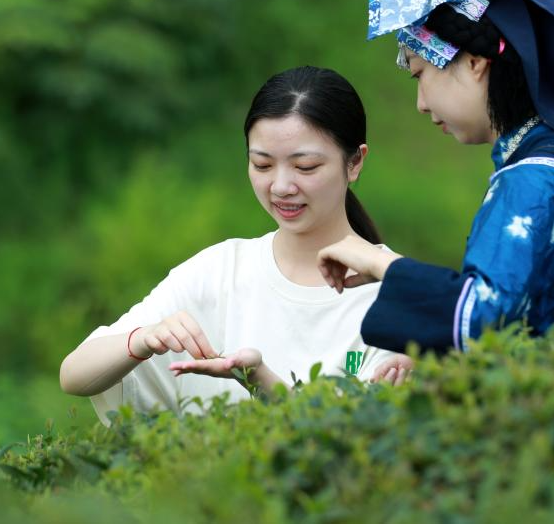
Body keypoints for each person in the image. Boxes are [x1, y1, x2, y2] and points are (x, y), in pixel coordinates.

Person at [317, 0, 554, 354]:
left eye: (419, 75)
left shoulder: (531, 179)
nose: (420, 103)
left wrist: (382, 263)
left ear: (474, 62)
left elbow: (479, 320)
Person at [61, 66, 412, 422]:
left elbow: (352, 438)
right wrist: (140, 340)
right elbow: (74, 374)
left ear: (354, 162)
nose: (281, 186)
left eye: (305, 167)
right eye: (262, 165)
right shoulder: (219, 271)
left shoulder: (399, 293)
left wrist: (258, 378)